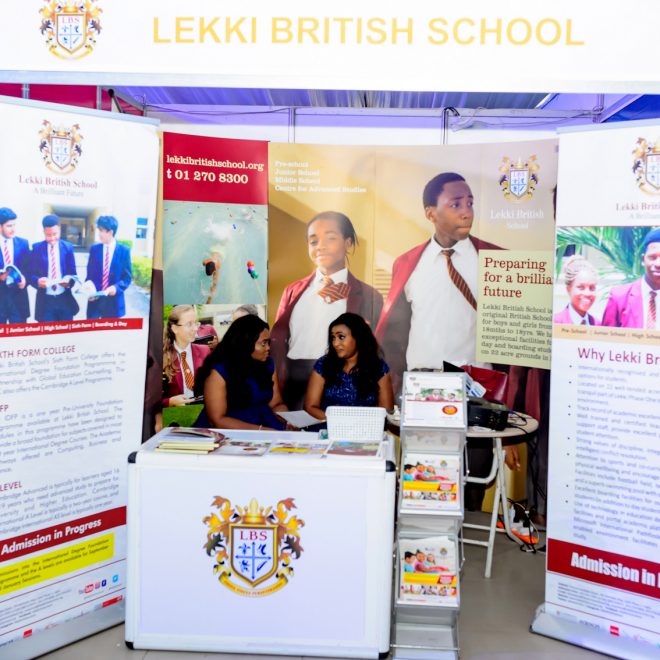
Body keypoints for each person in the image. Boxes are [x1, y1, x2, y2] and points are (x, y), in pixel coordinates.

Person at [375, 172, 502, 392]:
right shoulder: (406, 264)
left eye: (470, 203)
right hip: (421, 383)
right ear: (431, 213)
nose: (467, 213)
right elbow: (397, 330)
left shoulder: (496, 260)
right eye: (456, 205)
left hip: (476, 384)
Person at [271, 211, 383, 409]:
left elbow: (374, 350)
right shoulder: (292, 291)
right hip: (295, 384)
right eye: (313, 241)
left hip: (342, 383)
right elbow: (277, 343)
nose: (320, 246)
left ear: (348, 243)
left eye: (330, 238)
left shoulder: (369, 295)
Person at [194, 314, 288, 430]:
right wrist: (260, 430)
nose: (268, 348)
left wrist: (288, 418)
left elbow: (276, 403)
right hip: (231, 430)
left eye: (269, 343)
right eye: (263, 343)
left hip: (266, 424)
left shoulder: (268, 364)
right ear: (246, 343)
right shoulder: (219, 370)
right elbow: (217, 420)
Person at [304, 312, 393, 421]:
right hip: (328, 427)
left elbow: (386, 411)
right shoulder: (324, 364)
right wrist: (339, 422)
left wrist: (357, 425)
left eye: (341, 337)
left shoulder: (378, 367)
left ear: (358, 337)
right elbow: (310, 407)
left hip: (364, 428)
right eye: (333, 338)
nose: (335, 343)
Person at [601, 228, 660, 329]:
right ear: (643, 260)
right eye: (652, 257)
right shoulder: (619, 297)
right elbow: (605, 337)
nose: (658, 264)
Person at [29, 214, 79, 322]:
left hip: (64, 299)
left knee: (66, 330)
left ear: (59, 230)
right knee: (48, 331)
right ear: (43, 232)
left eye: (55, 234)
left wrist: (69, 282)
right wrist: (37, 281)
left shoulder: (68, 247)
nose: (52, 238)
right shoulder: (36, 248)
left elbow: (73, 273)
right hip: (45, 301)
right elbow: (30, 274)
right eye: (48, 235)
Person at [162, 305, 210, 407]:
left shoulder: (205, 351)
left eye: (196, 323)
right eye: (189, 324)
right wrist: (170, 401)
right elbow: (152, 398)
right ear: (175, 328)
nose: (195, 328)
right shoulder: (162, 357)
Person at [85, 215, 132, 319]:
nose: (99, 233)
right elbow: (89, 275)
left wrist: (116, 288)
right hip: (94, 303)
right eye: (99, 230)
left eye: (101, 230)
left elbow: (127, 278)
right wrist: (88, 291)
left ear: (110, 232)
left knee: (110, 330)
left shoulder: (124, 251)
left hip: (113, 304)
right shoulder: (94, 249)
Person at [0, 207, 30, 324]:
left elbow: (30, 269)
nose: (13, 229)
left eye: (14, 225)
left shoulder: (23, 243)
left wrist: (25, 280)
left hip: (18, 298)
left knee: (19, 334)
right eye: (9, 226)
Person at [553, 255, 599, 325]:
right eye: (581, 287)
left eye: (592, 288)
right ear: (568, 289)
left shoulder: (598, 325)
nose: (587, 293)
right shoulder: (555, 323)